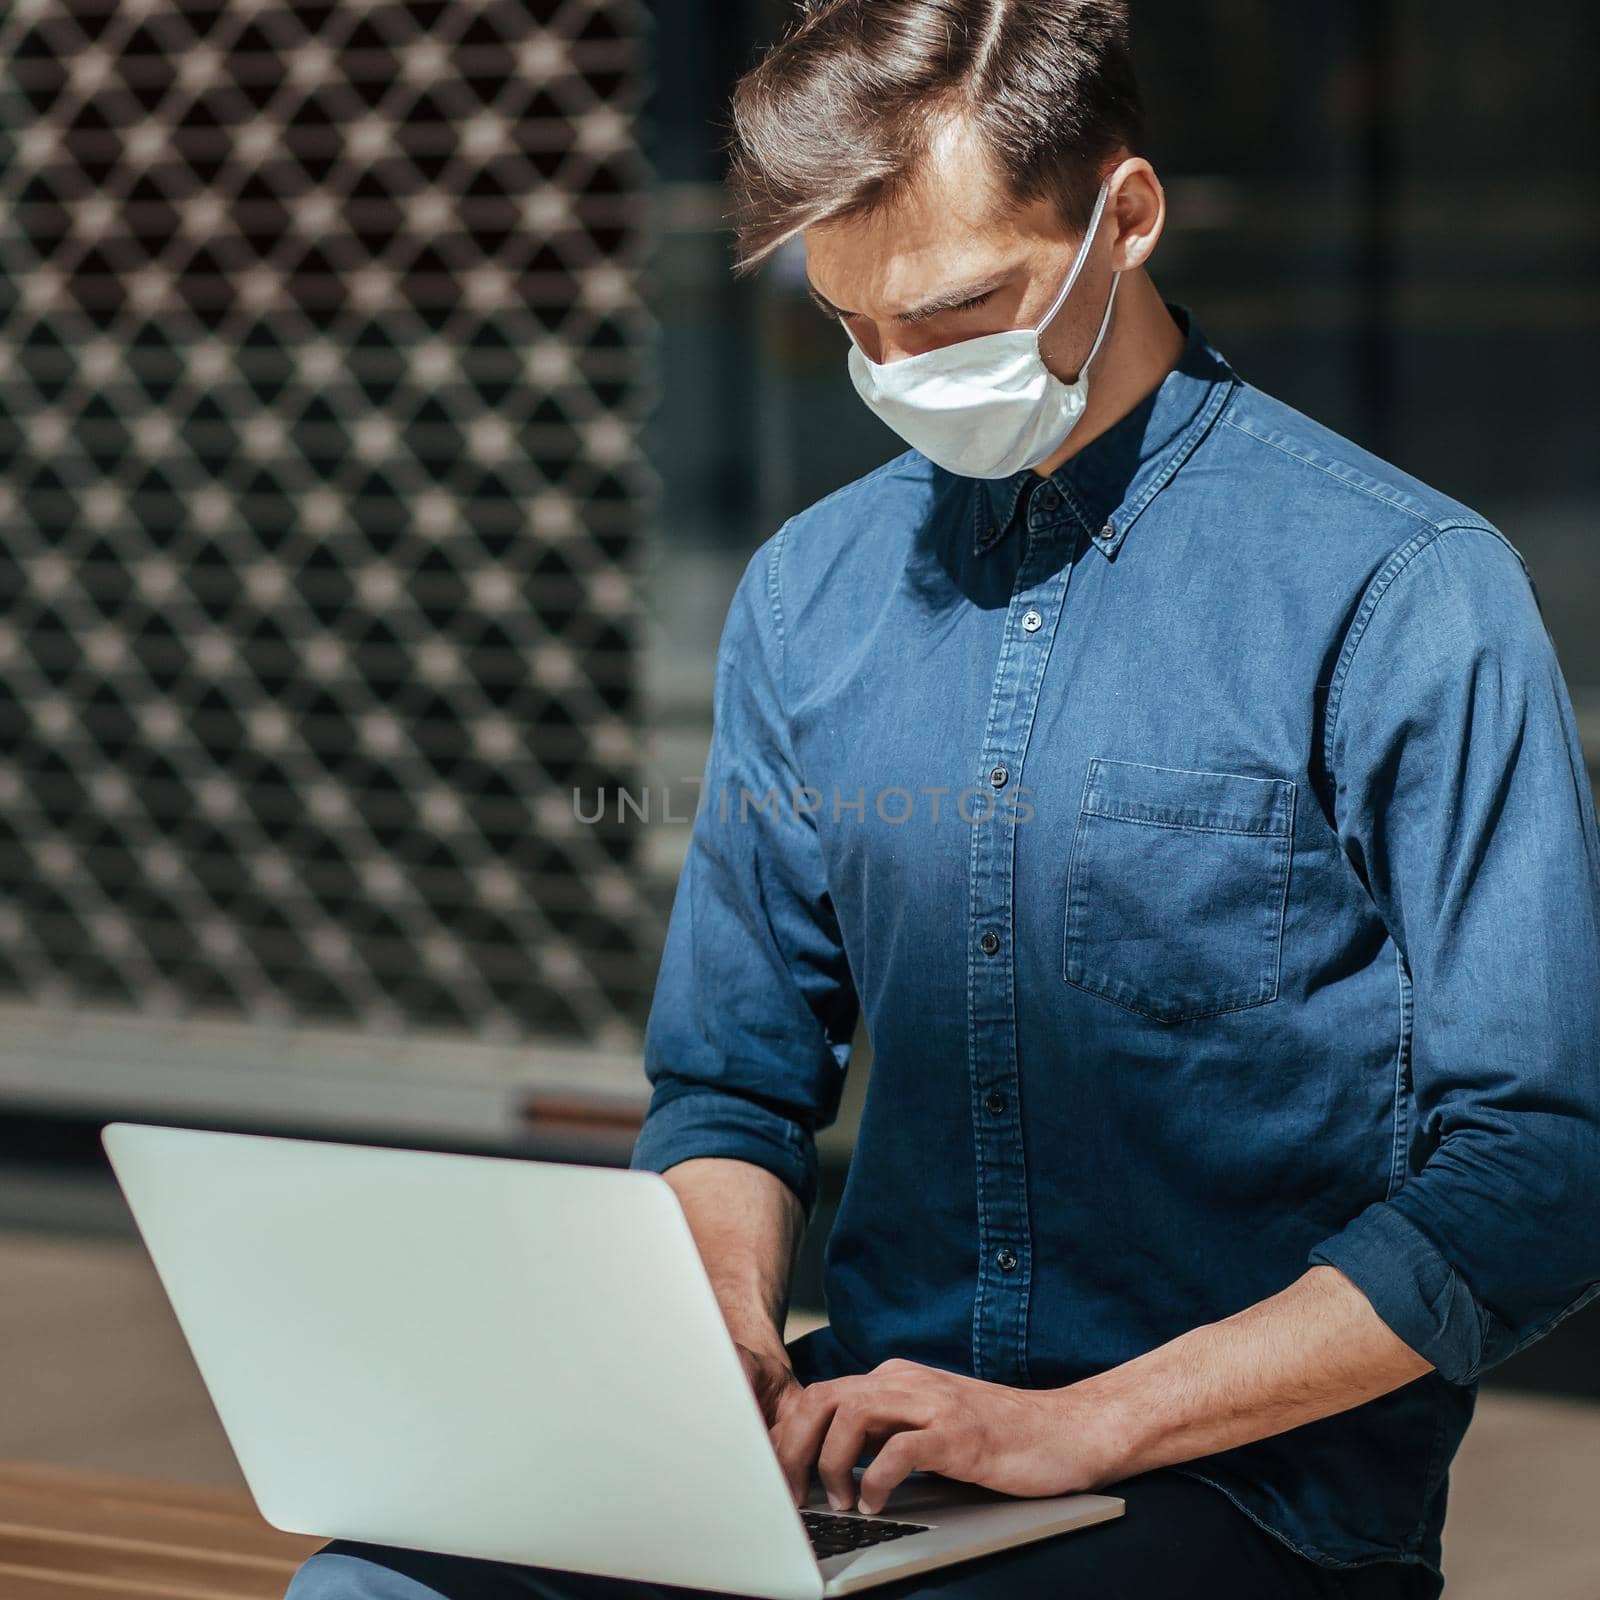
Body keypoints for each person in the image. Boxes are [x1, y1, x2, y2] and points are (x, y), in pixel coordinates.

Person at [285, 2, 1600, 1596]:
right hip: (880, 1432)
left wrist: (1083, 1428)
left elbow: (1542, 1171)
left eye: (961, 307)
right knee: (371, 1585)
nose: (906, 373)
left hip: (1240, 1495)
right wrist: (712, 1339)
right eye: (855, 326)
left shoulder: (1406, 593)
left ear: (1125, 215)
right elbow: (728, 1084)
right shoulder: (807, 597)